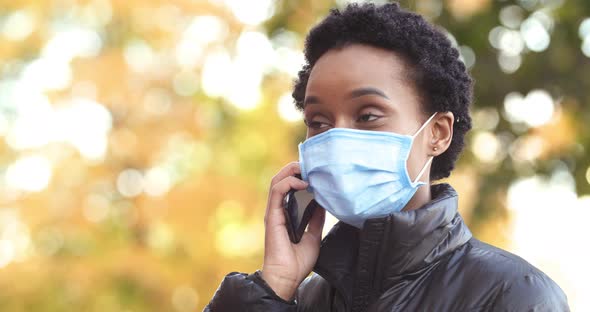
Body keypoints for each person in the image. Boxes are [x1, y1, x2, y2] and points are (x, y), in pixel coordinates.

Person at [205, 2, 569, 311]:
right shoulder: (304, 297)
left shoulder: (514, 295)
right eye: (318, 121)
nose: (337, 138)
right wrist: (273, 286)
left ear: (437, 133)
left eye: (367, 116)